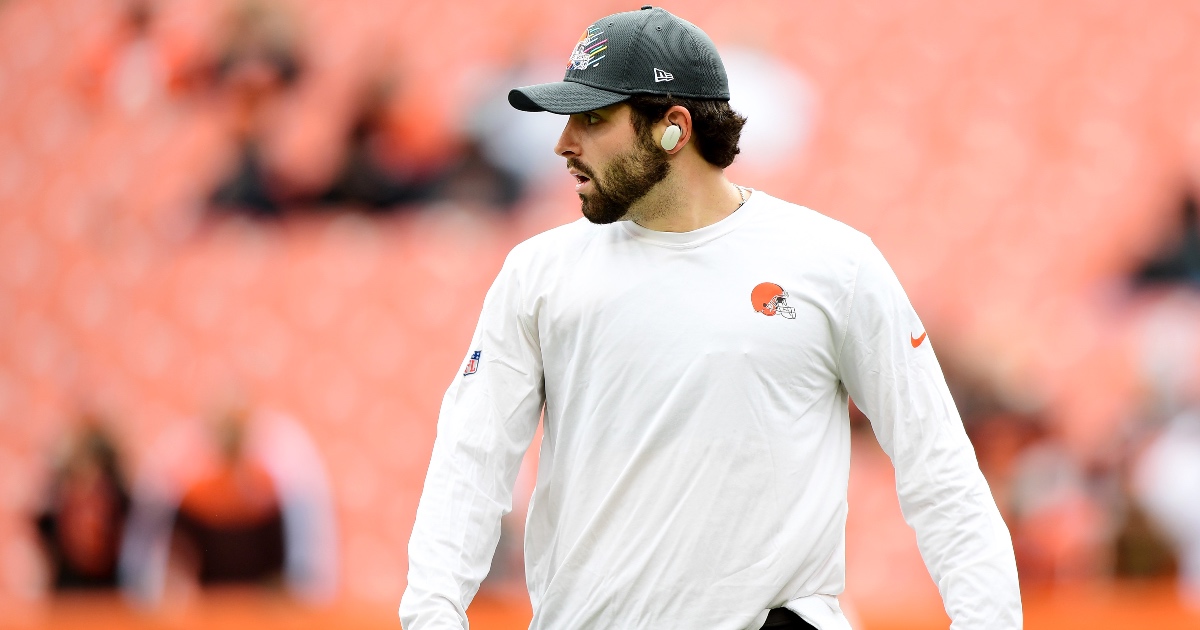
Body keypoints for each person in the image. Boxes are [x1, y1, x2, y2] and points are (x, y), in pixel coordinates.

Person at [399, 7, 1021, 630]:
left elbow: (939, 469)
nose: (563, 143)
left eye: (592, 119)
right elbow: (470, 463)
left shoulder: (836, 263)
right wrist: (431, 617)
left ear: (674, 127)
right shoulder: (536, 275)